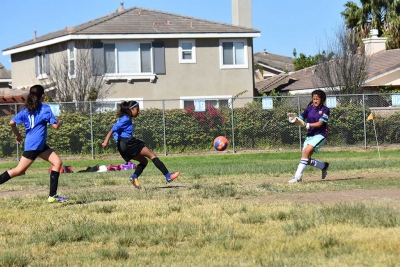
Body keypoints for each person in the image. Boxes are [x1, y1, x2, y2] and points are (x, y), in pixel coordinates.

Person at [0, 84, 68, 202]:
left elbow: (12, 122)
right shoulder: (45, 108)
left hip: (39, 145)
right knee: (18, 171)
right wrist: (60, 122)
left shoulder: (26, 110)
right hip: (34, 146)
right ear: (43, 96)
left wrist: (18, 135)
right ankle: (52, 196)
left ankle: (52, 196)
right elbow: (56, 126)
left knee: (57, 162)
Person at [102, 101, 180, 189]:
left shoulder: (124, 118)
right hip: (128, 143)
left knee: (144, 161)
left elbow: (116, 131)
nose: (138, 112)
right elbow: (112, 129)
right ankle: (168, 176)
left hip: (122, 146)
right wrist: (106, 141)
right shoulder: (126, 119)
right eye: (137, 109)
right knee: (152, 155)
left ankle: (134, 177)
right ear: (131, 109)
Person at [288, 89, 330, 183]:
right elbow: (300, 120)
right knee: (306, 159)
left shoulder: (325, 110)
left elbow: (320, 124)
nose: (315, 101)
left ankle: (297, 177)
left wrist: (309, 125)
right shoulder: (309, 109)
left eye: (317, 99)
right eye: (314, 98)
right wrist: (294, 120)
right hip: (310, 135)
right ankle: (324, 166)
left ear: (322, 100)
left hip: (320, 135)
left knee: (306, 152)